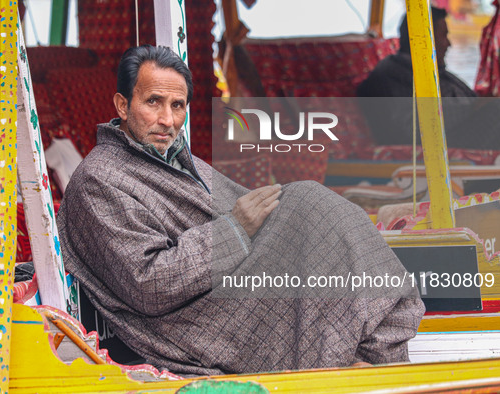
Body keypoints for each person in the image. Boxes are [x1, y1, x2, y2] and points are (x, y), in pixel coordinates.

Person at [58, 45, 425, 375]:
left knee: (314, 214)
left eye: (177, 106)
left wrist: (269, 223)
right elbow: (149, 283)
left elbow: (249, 212)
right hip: (191, 322)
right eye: (153, 102)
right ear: (122, 105)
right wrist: (235, 229)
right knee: (309, 208)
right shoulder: (98, 180)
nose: (167, 120)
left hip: (226, 286)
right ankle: (362, 363)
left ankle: (366, 357)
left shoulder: (176, 157)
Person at [357, 7, 500, 149]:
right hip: (435, 149)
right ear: (423, 40)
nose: (449, 44)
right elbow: (408, 126)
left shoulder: (441, 74)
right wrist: (472, 108)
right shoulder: (391, 74)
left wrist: (483, 103)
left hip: (463, 133)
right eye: (443, 35)